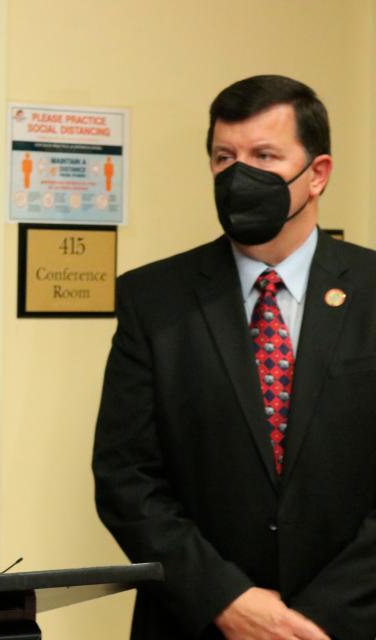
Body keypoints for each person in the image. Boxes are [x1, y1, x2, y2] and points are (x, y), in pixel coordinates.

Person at [93, 74, 376, 640]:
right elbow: (127, 477)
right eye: (225, 157)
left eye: (264, 155)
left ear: (317, 174)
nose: (238, 175)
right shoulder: (154, 300)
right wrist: (228, 600)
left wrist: (316, 619)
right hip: (200, 622)